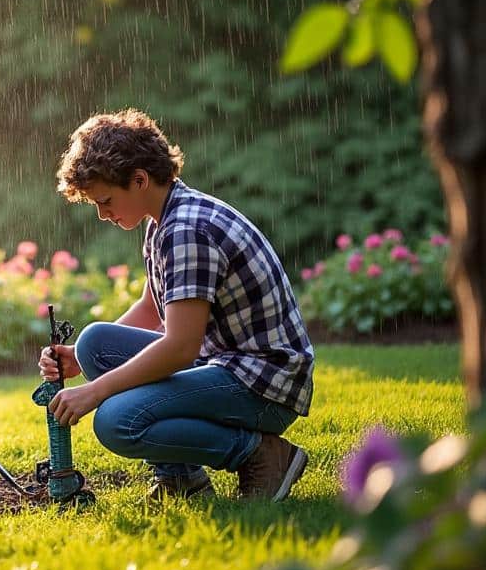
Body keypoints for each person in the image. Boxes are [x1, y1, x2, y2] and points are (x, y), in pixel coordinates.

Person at [38, 109, 313, 502]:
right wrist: (80, 363)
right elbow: (153, 309)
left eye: (107, 201)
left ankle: (260, 455)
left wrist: (95, 391)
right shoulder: (162, 222)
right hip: (226, 366)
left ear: (139, 179)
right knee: (93, 341)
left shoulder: (186, 230)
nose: (103, 214)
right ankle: (182, 479)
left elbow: (180, 347)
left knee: (118, 422)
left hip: (264, 384)